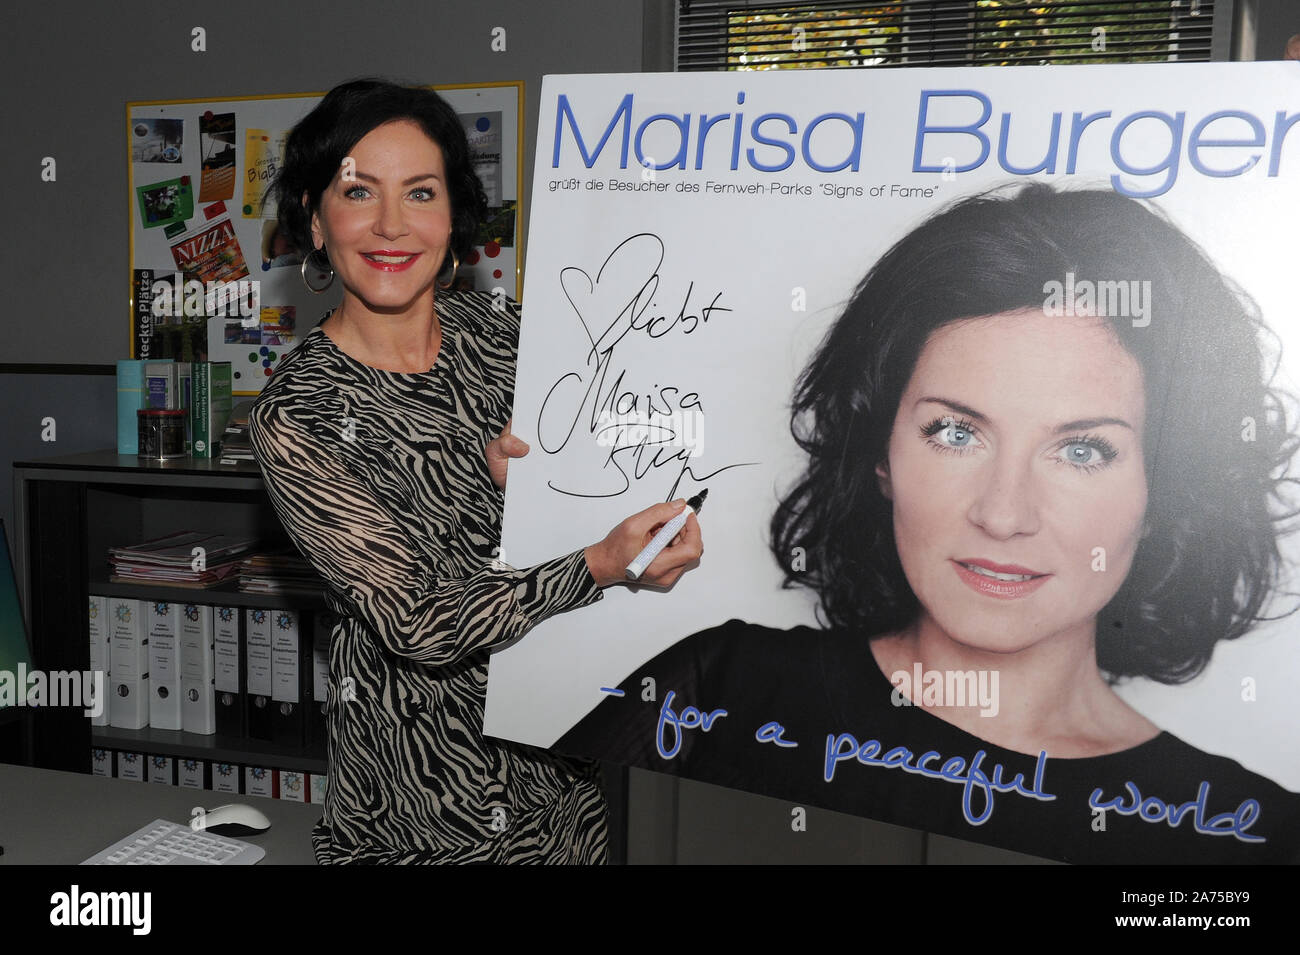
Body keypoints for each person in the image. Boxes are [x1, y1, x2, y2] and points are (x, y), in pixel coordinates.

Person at [557, 183, 1300, 863]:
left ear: (1165, 492)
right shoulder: (720, 693)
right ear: (879, 452)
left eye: (1082, 450)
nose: (1002, 514)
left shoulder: (1251, 831)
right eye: (955, 432)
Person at [248, 78, 702, 864]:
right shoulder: (297, 415)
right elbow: (419, 618)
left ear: (454, 215)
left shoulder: (513, 337)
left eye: (420, 192)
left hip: (565, 776)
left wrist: (546, 493)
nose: (392, 224)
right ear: (316, 221)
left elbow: (616, 477)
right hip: (422, 810)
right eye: (358, 191)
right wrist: (598, 561)